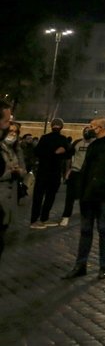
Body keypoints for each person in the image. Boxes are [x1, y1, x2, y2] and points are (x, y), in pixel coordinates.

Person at [63, 116, 105, 280]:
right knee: (85, 230)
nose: (89, 128)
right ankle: (80, 265)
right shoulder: (92, 145)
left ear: (101, 128)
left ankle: (103, 266)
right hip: (88, 194)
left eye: (92, 126)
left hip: (103, 195)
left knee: (103, 229)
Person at [29, 118, 72, 229]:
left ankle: (35, 219)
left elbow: (37, 152)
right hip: (55, 172)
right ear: (61, 127)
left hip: (43, 171)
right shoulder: (63, 139)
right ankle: (43, 218)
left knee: (38, 195)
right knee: (50, 196)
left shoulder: (44, 138)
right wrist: (57, 152)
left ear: (51, 126)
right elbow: (69, 154)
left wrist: (49, 153)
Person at [0, 101, 25, 263]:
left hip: (4, 205)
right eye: (7, 121)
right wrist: (11, 172)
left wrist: (19, 171)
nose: (10, 126)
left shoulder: (9, 146)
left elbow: (20, 163)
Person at [59, 125, 96, 226]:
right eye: (86, 131)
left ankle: (86, 217)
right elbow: (69, 157)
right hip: (75, 172)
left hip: (89, 174)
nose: (87, 133)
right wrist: (68, 170)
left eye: (89, 131)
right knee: (70, 196)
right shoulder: (77, 142)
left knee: (86, 196)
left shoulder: (96, 144)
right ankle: (66, 216)